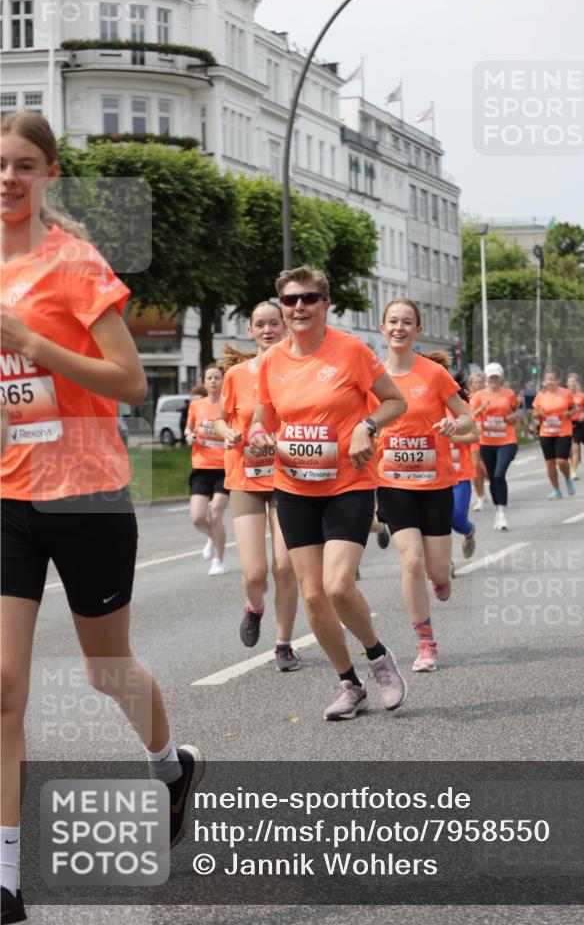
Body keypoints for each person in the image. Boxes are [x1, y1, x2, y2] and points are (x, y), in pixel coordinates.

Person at [0, 112, 202, 924]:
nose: (7, 179)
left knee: (103, 670)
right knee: (3, 688)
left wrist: (36, 346)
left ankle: (170, 764)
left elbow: (130, 385)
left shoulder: (75, 265)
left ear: (50, 174)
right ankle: (8, 879)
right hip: (8, 498)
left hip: (87, 496)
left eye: (23, 165)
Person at [249, 265, 408, 721]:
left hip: (347, 484)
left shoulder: (351, 350)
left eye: (309, 299)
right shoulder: (273, 360)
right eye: (291, 299)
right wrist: (260, 433)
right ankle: (349, 683)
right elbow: (264, 416)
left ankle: (379, 658)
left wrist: (367, 424)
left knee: (338, 586)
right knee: (313, 596)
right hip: (294, 487)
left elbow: (396, 400)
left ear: (326, 303)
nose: (299, 306)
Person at [374, 307, 473, 672]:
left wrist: (453, 426)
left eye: (406, 322)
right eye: (393, 322)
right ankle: (426, 643)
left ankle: (441, 577)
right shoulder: (371, 376)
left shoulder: (433, 373)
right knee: (411, 561)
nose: (399, 328)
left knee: (438, 571)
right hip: (392, 482)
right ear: (382, 328)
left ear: (418, 328)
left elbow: (466, 417)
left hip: (435, 483)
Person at [214, 303, 300, 671]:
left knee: (285, 567)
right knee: (255, 573)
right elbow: (218, 421)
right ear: (250, 330)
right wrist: (229, 433)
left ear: (285, 328)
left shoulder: (296, 371)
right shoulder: (235, 376)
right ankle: (255, 607)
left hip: (288, 478)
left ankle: (283, 643)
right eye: (260, 324)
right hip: (246, 479)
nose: (268, 330)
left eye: (274, 323)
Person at [185, 364, 230, 575]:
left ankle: (218, 561)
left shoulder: (228, 404)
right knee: (197, 518)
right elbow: (188, 428)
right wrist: (189, 435)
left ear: (223, 381)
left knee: (216, 512)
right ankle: (212, 537)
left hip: (224, 467)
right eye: (209, 378)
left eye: (217, 378)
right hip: (201, 467)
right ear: (204, 382)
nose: (213, 381)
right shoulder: (196, 406)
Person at [469, 362, 518, 530]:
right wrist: (481, 408)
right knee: (491, 477)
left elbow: (515, 412)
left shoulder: (509, 394)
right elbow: (471, 416)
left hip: (507, 441)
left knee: (498, 475)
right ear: (487, 378)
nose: (493, 380)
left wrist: (514, 418)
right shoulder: (479, 396)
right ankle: (498, 510)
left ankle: (502, 513)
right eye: (491, 377)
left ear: (501, 377)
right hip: (487, 442)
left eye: (496, 377)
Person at [533, 370, 576, 498]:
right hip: (546, 432)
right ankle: (556, 490)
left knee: (561, 461)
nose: (550, 382)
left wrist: (570, 413)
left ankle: (568, 479)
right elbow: (534, 414)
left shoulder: (566, 393)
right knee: (550, 463)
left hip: (563, 431)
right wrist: (538, 413)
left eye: (552, 379)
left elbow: (574, 408)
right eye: (547, 379)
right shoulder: (540, 396)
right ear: (544, 382)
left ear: (557, 381)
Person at [468, 372, 488, 511]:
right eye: (476, 382)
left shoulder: (491, 395)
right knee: (475, 467)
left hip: (491, 437)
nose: (479, 385)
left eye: (481, 382)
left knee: (486, 469)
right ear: (471, 385)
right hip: (475, 436)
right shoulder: (468, 398)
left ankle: (487, 487)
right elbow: (470, 416)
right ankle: (480, 497)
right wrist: (482, 407)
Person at [568, 373, 584, 479]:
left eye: (574, 382)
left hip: (578, 423)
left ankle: (574, 471)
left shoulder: (581, 396)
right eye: (570, 382)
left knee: (576, 448)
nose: (572, 384)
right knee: (568, 450)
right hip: (566, 424)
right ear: (567, 384)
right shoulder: (564, 396)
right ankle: (570, 462)